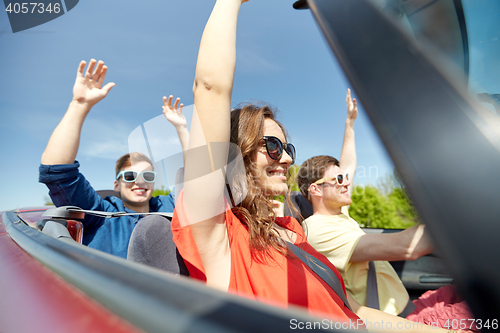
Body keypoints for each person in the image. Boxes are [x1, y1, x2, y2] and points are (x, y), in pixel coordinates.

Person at [170, 1, 451, 331]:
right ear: (237, 157)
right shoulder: (218, 234)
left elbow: (350, 312)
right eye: (272, 147)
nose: (287, 159)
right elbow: (210, 89)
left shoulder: (292, 229)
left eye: (287, 148)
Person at [39, 59, 183, 260]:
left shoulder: (170, 206)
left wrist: (181, 128)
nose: (139, 181)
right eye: (131, 175)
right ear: (117, 184)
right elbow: (56, 171)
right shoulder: (99, 215)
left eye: (147, 175)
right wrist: (79, 105)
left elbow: (198, 178)